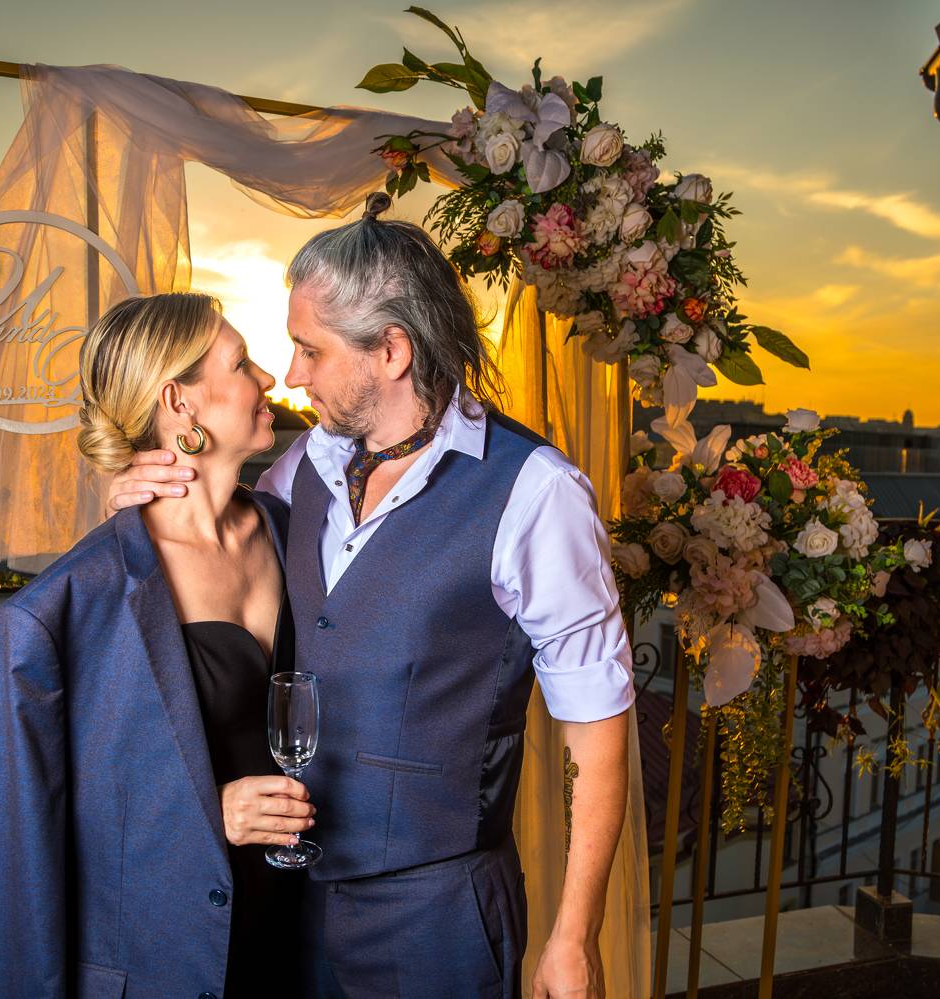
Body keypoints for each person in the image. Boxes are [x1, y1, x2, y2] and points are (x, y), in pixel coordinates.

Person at [111, 195, 636, 998]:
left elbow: (597, 731)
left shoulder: (537, 493)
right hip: (289, 905)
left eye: (310, 350)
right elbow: (209, 550)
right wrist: (134, 502)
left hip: (438, 921)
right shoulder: (302, 467)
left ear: (390, 350)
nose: (292, 374)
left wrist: (575, 937)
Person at [0, 292, 312, 998]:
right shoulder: (61, 610)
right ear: (179, 402)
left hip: (300, 941)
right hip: (163, 962)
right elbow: (13, 856)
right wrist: (208, 814)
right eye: (242, 363)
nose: (268, 378)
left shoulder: (295, 533)